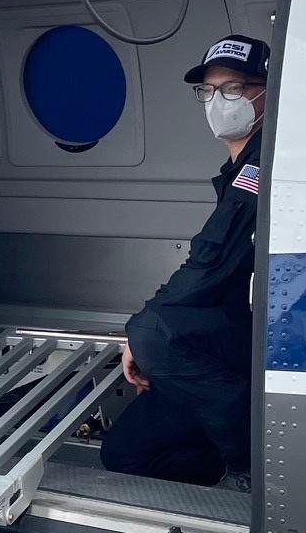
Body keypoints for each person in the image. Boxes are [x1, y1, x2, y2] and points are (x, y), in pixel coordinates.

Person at [101, 36, 268, 490]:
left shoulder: (262, 166)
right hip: (219, 336)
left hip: (246, 339)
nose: (218, 101)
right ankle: (219, 452)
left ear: (266, 94)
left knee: (155, 332)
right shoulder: (237, 169)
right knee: (125, 454)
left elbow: (209, 260)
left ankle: (247, 464)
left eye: (233, 89)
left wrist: (141, 332)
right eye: (208, 91)